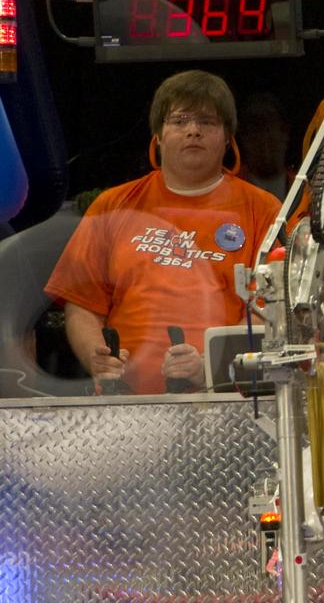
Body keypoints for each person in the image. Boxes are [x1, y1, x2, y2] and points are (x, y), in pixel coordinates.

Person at [45, 70, 281, 395]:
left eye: (207, 122)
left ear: (228, 136)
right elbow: (82, 305)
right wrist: (96, 359)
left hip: (225, 401)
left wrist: (209, 367)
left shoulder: (263, 210)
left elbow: (270, 311)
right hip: (125, 403)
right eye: (180, 121)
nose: (193, 131)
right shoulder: (113, 205)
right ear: (158, 133)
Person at [237, 90, 293, 201]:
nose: (264, 137)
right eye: (256, 127)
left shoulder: (305, 191)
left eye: (270, 125)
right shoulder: (227, 193)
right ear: (243, 137)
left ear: (285, 132)